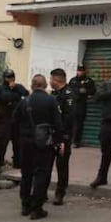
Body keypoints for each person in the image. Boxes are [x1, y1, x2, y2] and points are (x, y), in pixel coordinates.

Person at [17, 74, 64, 220]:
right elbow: (58, 123)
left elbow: (15, 120)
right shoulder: (51, 100)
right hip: (44, 143)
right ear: (45, 86)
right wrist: (59, 141)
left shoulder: (24, 102)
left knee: (26, 174)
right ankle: (37, 209)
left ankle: (25, 205)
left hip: (26, 143)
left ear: (32, 86)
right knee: (41, 174)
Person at [0, 69, 29, 175]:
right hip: (4, 119)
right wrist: (16, 95)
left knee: (18, 142)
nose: (10, 80)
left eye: (12, 77)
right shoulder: (1, 88)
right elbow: (5, 97)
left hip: (16, 119)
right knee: (2, 143)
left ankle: (17, 162)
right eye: (8, 78)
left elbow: (26, 93)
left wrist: (16, 89)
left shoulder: (18, 87)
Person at [49, 68, 74, 206]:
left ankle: (60, 193)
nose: (50, 81)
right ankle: (43, 191)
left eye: (51, 79)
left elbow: (68, 119)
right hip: (51, 135)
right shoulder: (54, 94)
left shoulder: (68, 95)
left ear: (56, 79)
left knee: (62, 165)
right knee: (47, 163)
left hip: (63, 137)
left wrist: (63, 139)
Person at [67, 65, 95, 148]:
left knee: (79, 124)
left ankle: (76, 141)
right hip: (72, 104)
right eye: (78, 70)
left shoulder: (88, 80)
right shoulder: (73, 80)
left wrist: (86, 91)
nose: (80, 72)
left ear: (84, 71)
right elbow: (69, 90)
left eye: (81, 71)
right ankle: (70, 140)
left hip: (81, 104)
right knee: (70, 123)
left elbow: (93, 91)